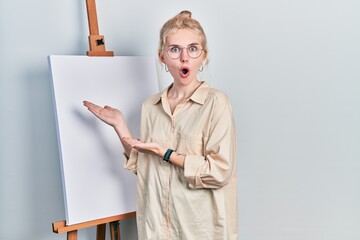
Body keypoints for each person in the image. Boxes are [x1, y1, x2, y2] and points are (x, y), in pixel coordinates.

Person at [83, 10, 237, 240]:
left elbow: (219, 172)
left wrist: (166, 153)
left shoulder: (216, 103)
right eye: (175, 49)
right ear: (162, 56)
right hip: (156, 227)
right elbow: (145, 167)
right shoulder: (150, 106)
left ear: (203, 56)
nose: (184, 58)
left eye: (192, 49)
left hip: (199, 228)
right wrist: (120, 126)